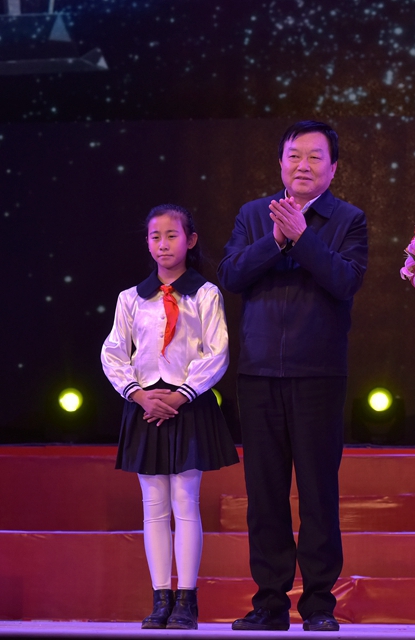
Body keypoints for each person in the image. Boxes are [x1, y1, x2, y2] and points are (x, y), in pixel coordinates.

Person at [218, 120, 368, 632]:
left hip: (318, 374)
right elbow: (232, 274)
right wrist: (276, 240)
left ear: (333, 167)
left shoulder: (348, 219)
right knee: (264, 495)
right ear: (281, 162)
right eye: (294, 155)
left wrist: (302, 238)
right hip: (258, 372)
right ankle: (269, 603)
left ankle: (320, 605)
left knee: (318, 493)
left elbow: (345, 280)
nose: (303, 165)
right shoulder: (253, 215)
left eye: (314, 157)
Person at [101, 204, 238, 631]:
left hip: (187, 406)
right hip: (145, 408)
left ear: (190, 240)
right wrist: (140, 395)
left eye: (172, 235)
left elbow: (217, 352)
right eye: (155, 236)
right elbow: (113, 353)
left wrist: (180, 395)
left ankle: (186, 601)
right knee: (154, 506)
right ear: (147, 243)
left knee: (185, 501)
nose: (163, 244)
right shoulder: (131, 298)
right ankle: (160, 597)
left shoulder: (205, 294)